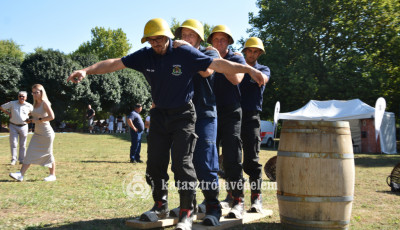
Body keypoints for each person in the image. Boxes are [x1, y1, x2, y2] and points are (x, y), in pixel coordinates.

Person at [67, 18, 266, 230]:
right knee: (155, 164)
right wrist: (86, 70)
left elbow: (214, 67)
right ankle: (160, 205)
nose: (156, 43)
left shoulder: (191, 52)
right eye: (151, 40)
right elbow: (116, 62)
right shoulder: (146, 55)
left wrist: (249, 70)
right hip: (162, 114)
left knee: (193, 164)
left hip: (195, 113)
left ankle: (205, 207)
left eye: (159, 39)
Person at [171, 19, 222, 226]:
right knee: (182, 163)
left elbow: (206, 71)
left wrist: (186, 50)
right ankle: (188, 204)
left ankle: (212, 207)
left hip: (206, 115)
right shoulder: (177, 56)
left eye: (190, 35)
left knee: (205, 163)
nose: (185, 39)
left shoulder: (210, 54)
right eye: (183, 35)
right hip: (182, 116)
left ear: (199, 38)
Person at [207, 25, 246, 218]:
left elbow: (236, 79)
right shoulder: (206, 59)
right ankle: (211, 199)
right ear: (211, 42)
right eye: (216, 40)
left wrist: (220, 61)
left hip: (231, 111)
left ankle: (238, 199)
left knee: (231, 156)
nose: (219, 43)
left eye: (223, 40)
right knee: (209, 157)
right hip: (211, 112)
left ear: (229, 42)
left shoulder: (236, 58)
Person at [239, 37, 270, 213]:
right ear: (245, 52)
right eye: (249, 51)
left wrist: (244, 68)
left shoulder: (263, 69)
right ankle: (234, 196)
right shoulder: (237, 66)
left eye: (255, 51)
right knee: (232, 160)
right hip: (233, 116)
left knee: (251, 160)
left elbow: (261, 79)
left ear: (259, 53)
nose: (252, 54)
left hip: (251, 116)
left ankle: (256, 198)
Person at [9, 84, 56, 182]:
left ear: (41, 92)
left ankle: (52, 175)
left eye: (36, 92)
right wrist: (30, 120)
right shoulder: (35, 104)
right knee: (29, 152)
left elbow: (52, 117)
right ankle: (20, 175)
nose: (34, 94)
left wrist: (38, 120)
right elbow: (36, 117)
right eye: (33, 92)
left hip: (46, 133)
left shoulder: (44, 103)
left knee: (48, 154)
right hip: (37, 133)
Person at [0, 91, 33, 165]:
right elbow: (1, 107)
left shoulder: (29, 105)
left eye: (23, 96)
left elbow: (33, 113)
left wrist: (28, 116)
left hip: (24, 126)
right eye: (20, 96)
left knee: (23, 144)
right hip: (13, 126)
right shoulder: (12, 103)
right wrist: (9, 113)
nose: (21, 97)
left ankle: (22, 160)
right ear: (18, 97)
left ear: (26, 98)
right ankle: (13, 160)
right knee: (14, 143)